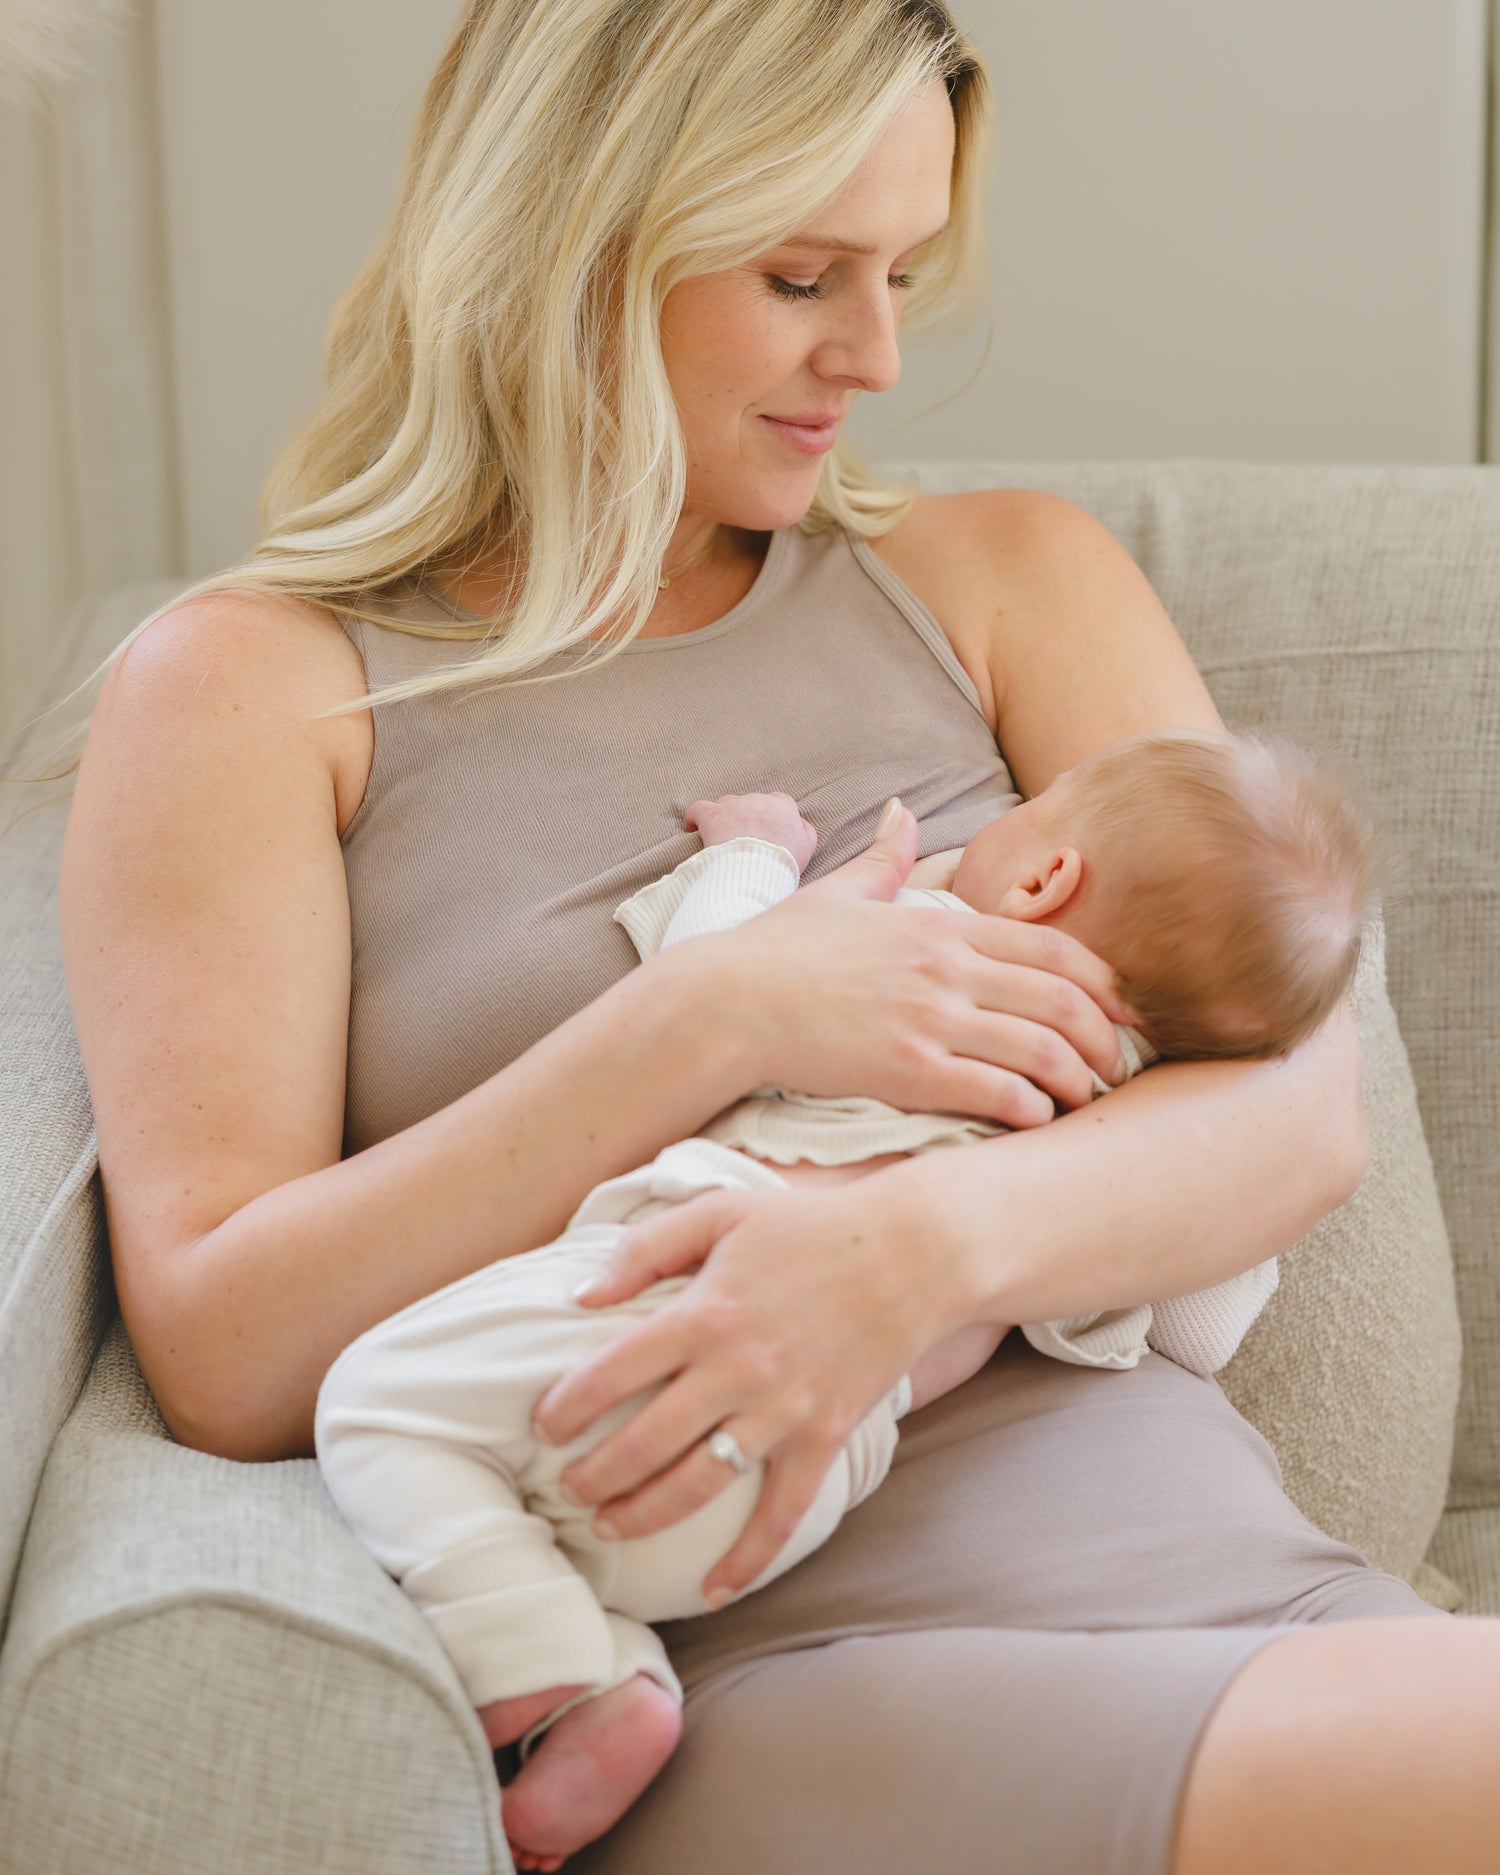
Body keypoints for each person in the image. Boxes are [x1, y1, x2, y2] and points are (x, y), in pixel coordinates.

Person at [51, 5, 1497, 1874]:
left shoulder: (1007, 580)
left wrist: (901, 1254)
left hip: (1245, 1577)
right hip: (787, 1650)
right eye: (803, 276)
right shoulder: (251, 694)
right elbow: (224, 1345)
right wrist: (712, 1017)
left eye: (900, 274)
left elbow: (1297, 1118)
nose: (876, 354)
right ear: (567, 243)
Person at [313, 726, 1376, 1869]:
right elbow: (1199, 1334)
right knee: (566, 1523)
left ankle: (562, 1669)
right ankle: (603, 1663)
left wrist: (755, 855)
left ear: (1042, 879)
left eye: (1031, 805)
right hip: (804, 1473)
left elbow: (707, 970)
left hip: (670, 1310)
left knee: (381, 1403)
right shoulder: (1114, 1136)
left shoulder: (924, 948)